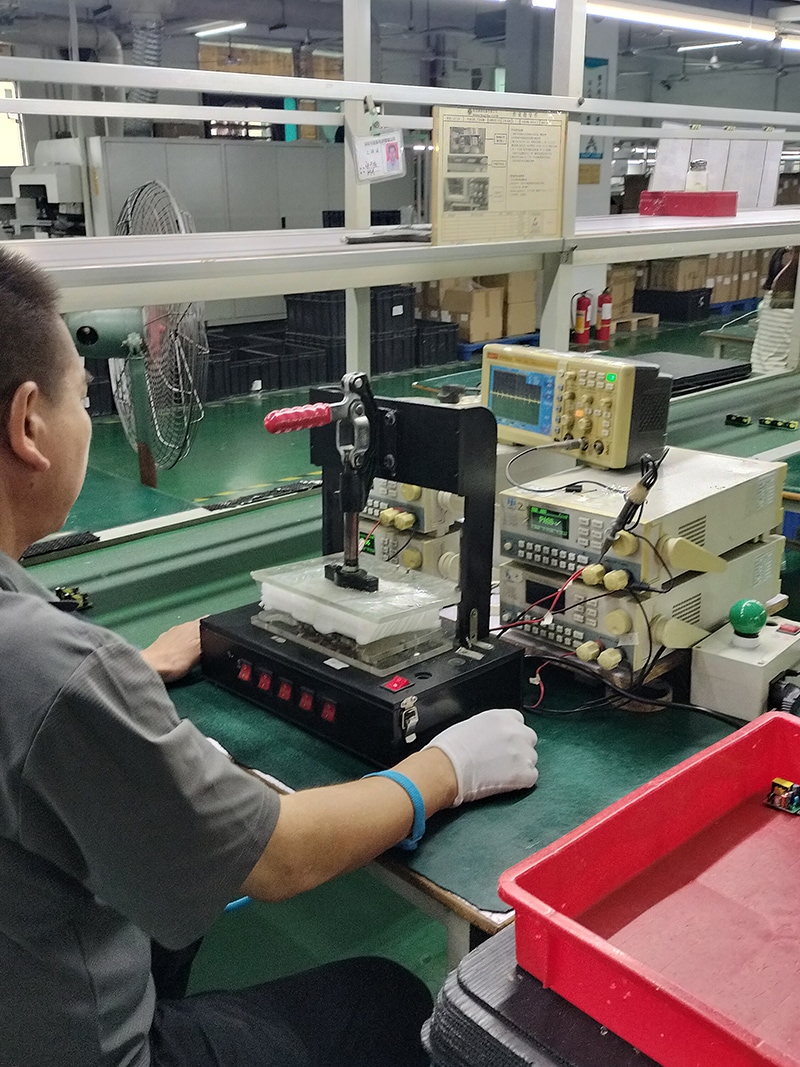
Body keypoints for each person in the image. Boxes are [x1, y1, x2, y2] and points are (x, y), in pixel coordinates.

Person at [0, 247, 539, 1067]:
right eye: (81, 394)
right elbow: (279, 857)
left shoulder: (42, 656)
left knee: (170, 918)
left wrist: (127, 674)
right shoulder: (55, 669)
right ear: (28, 424)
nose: (86, 414)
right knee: (387, 1001)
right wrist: (443, 771)